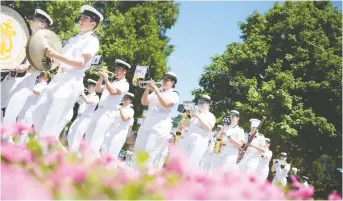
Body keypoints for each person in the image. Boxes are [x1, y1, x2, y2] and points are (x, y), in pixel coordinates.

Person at [32, 5, 103, 140]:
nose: (80, 21)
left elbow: (80, 63)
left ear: (93, 23)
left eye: (84, 19)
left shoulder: (92, 40)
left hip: (71, 82)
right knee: (37, 113)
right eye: (80, 18)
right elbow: (60, 57)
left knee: (52, 121)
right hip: (59, 78)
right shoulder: (74, 38)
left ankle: (45, 150)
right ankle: (50, 145)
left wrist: (56, 56)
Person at [1, 9, 53, 125]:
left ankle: (6, 139)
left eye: (36, 20)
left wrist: (26, 66)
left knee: (10, 116)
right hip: (10, 78)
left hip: (25, 81)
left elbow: (44, 64)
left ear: (43, 24)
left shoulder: (44, 43)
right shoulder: (22, 35)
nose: (31, 21)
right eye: (33, 19)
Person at [134, 72, 179, 169]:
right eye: (164, 79)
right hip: (147, 125)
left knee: (148, 155)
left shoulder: (174, 94)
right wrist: (147, 89)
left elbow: (166, 104)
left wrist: (156, 90)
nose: (164, 81)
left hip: (159, 128)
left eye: (167, 80)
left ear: (172, 82)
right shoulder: (157, 91)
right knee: (138, 152)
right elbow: (144, 102)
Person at [85, 59, 130, 156]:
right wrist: (101, 78)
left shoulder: (125, 84)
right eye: (116, 69)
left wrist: (106, 79)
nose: (116, 71)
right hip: (99, 110)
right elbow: (98, 89)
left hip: (108, 113)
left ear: (124, 71)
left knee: (97, 137)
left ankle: (91, 160)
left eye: (119, 69)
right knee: (89, 134)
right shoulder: (112, 82)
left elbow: (113, 91)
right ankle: (85, 157)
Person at [179, 95, 216, 166]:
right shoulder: (194, 113)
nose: (200, 104)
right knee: (180, 160)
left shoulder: (210, 116)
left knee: (191, 163)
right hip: (188, 137)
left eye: (203, 103)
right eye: (200, 102)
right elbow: (184, 125)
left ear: (208, 104)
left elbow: (208, 129)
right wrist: (188, 115)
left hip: (199, 141)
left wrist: (198, 116)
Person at [67, 79, 99, 153]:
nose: (88, 87)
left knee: (77, 137)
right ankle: (71, 152)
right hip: (78, 117)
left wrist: (82, 92)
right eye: (88, 86)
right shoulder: (86, 95)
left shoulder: (96, 97)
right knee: (70, 134)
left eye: (90, 86)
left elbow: (88, 101)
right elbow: (77, 101)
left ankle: (73, 155)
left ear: (94, 87)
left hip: (85, 119)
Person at [101, 92, 135, 158]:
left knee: (112, 151)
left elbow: (125, 118)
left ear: (130, 101)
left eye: (127, 99)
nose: (124, 100)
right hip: (111, 131)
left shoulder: (130, 110)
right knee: (104, 148)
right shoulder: (119, 107)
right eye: (124, 98)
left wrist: (120, 109)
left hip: (120, 133)